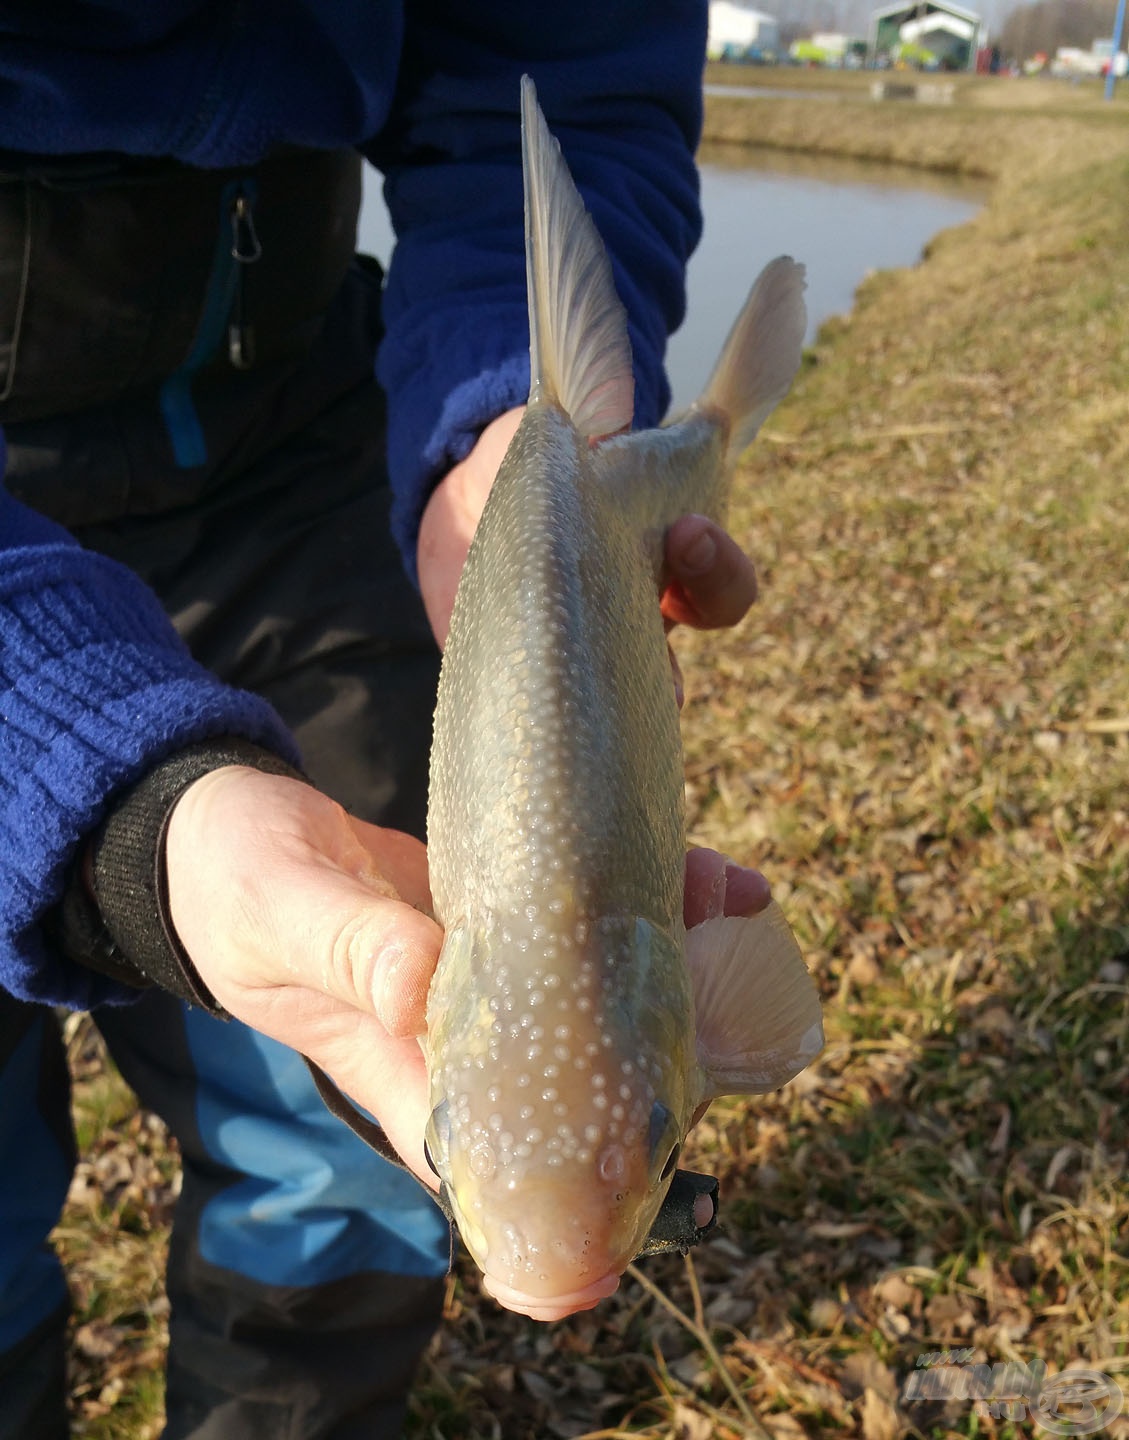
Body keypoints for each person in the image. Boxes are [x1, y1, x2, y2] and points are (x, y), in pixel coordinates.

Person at [0, 5, 767, 1437]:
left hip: (302, 433)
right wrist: (117, 812)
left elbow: (559, 71)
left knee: (337, 1108)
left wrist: (494, 425)